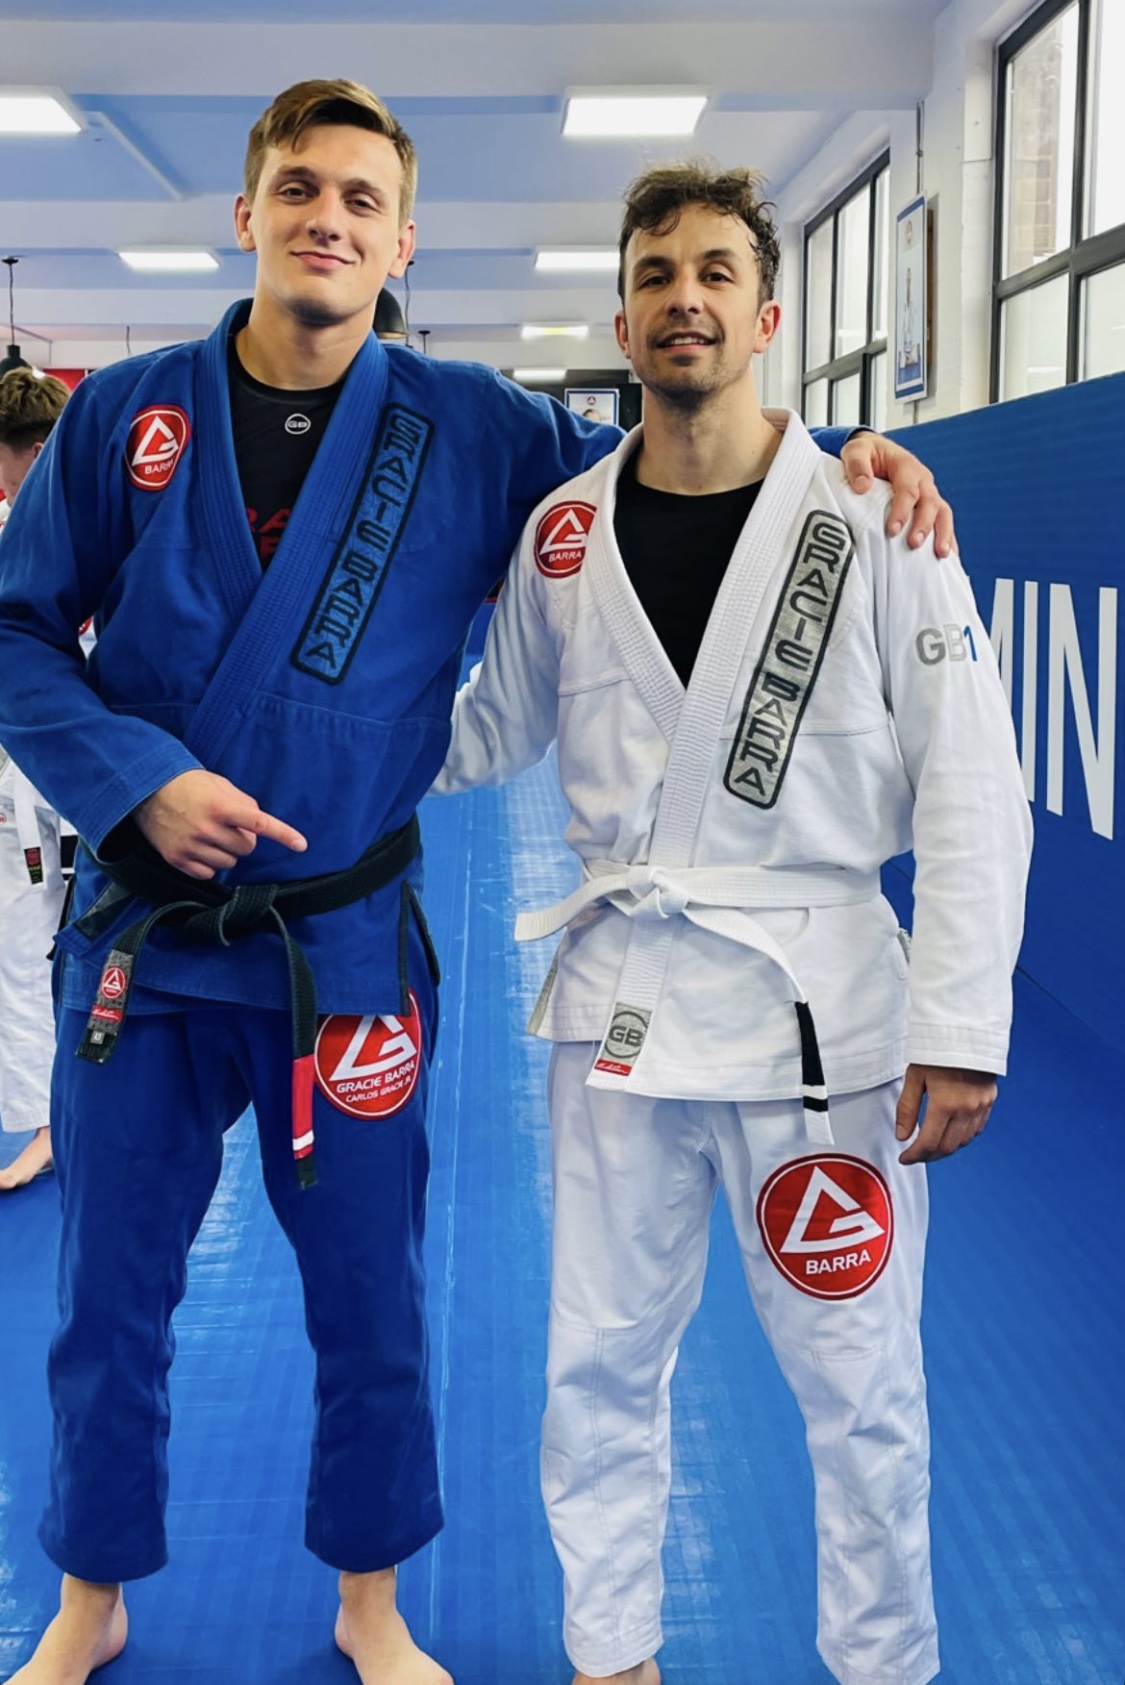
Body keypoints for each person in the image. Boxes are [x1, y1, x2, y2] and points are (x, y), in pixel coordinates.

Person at [0, 79, 953, 1685]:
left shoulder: (472, 424)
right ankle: (89, 1597)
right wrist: (133, 777)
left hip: (342, 945)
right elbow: (18, 631)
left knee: (369, 1295)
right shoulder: (123, 418)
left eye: (361, 200)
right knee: (105, 1293)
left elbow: (673, 456)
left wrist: (844, 458)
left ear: (402, 243)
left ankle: (369, 1602)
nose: (327, 218)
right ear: (247, 213)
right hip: (145, 941)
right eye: (300, 188)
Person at [434, 162, 1032, 1685]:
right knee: (597, 1362)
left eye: (715, 273)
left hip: (819, 1019)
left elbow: (973, 780)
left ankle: (882, 1664)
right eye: (654, 274)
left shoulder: (872, 514)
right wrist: (296, 732)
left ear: (767, 317)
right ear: (623, 321)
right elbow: (484, 729)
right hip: (618, 1011)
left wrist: (963, 1025)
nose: (682, 298)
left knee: (861, 1387)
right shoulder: (562, 533)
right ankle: (611, 1656)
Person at [0, 368, 73, 1192]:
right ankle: (55, 1119)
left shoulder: (94, 526)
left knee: (27, 950)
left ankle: (60, 1123)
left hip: (66, 782)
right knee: (26, 948)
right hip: (29, 782)